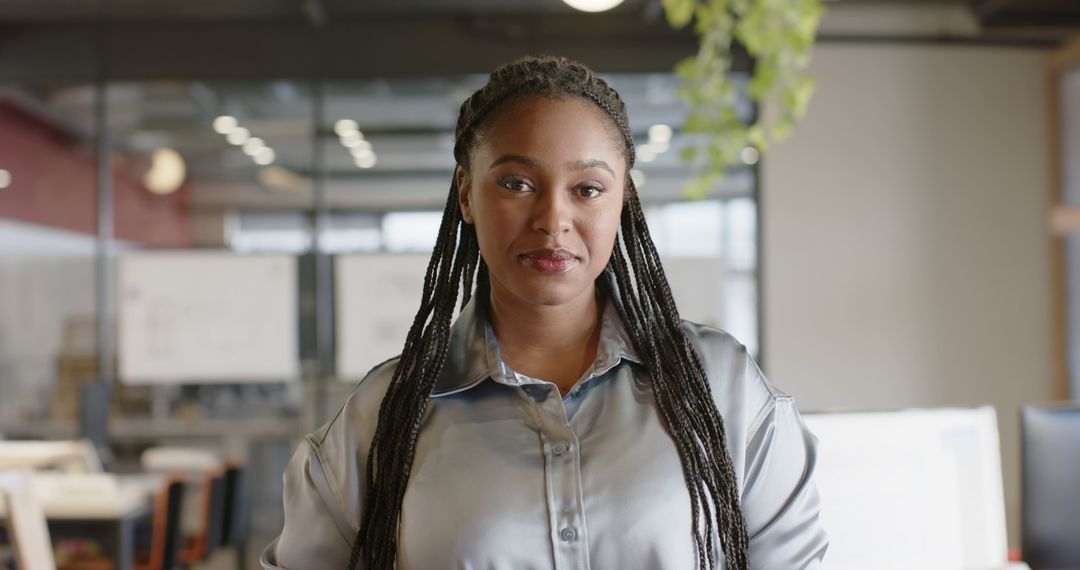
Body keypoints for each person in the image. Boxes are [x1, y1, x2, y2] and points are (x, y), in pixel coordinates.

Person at [262, 55, 828, 570]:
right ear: (465, 193)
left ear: (623, 200)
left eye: (587, 188)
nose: (552, 218)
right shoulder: (380, 418)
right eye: (517, 183)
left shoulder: (721, 387)